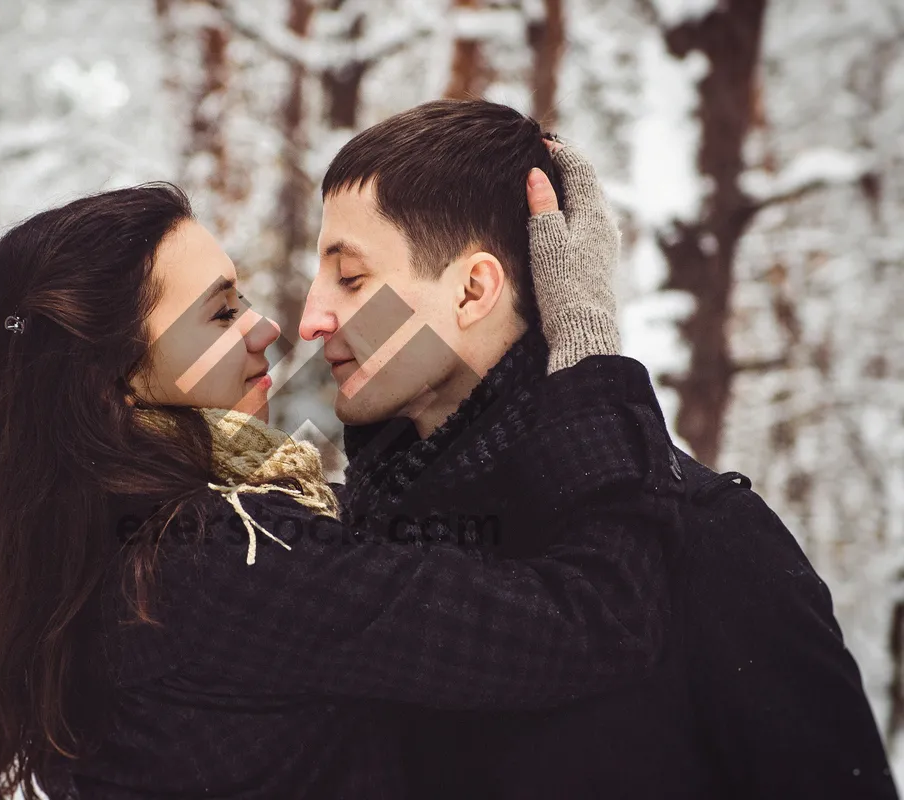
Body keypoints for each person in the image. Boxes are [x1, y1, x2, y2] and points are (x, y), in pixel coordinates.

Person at [0, 160, 681, 797]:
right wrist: (587, 352)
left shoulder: (91, 541)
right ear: (113, 383)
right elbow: (595, 623)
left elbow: (365, 567)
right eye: (221, 314)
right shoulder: (213, 559)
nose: (268, 329)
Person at [302, 98, 898, 799]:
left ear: (472, 290)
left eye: (351, 278)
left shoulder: (707, 544)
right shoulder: (347, 540)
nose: (311, 318)